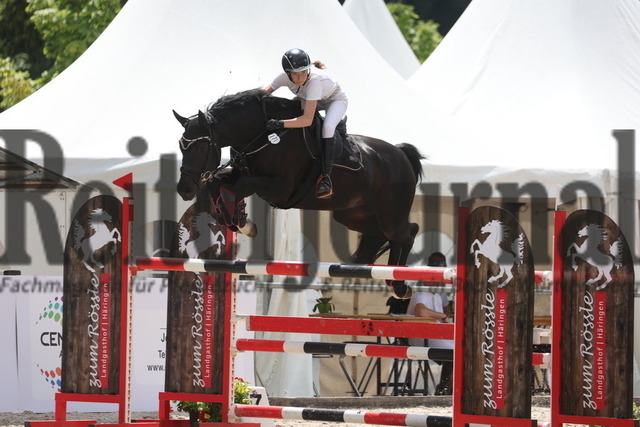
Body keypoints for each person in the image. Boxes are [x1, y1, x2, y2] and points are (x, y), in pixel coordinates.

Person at [263, 48, 348, 199]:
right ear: (287, 73)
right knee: (290, 109)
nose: (300, 77)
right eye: (295, 73)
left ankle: (325, 178)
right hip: (311, 99)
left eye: (303, 72)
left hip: (335, 101)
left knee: (327, 128)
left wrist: (280, 124)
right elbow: (262, 94)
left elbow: (307, 120)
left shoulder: (314, 81)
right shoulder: (283, 77)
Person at [405, 252, 454, 395]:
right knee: (453, 353)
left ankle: (447, 389)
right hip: (422, 338)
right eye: (432, 278)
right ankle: (444, 389)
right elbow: (421, 311)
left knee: (461, 350)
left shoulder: (438, 296)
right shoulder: (420, 293)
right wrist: (443, 315)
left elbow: (441, 320)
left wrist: (444, 319)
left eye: (437, 279)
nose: (435, 281)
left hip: (433, 336)